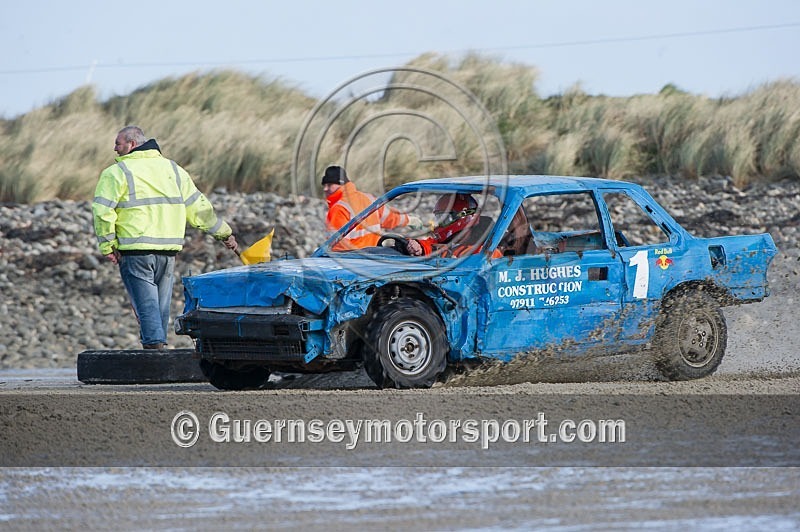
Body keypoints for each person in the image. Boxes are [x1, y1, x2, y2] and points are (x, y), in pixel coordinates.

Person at [92, 126, 238, 349]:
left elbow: (103, 211)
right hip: (168, 250)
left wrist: (107, 245)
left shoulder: (116, 172)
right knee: (160, 306)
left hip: (135, 249)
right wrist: (224, 233)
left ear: (132, 144)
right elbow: (199, 208)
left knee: (146, 305)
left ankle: (154, 349)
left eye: (118, 144)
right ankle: (159, 347)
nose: (115, 148)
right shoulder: (174, 169)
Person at [322, 165, 419, 250]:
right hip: (374, 256)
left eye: (329, 185)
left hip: (353, 259)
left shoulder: (339, 208)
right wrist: (409, 220)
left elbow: (338, 246)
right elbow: (389, 216)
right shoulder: (369, 198)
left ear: (341, 184)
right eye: (324, 185)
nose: (325, 189)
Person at [406, 193, 502, 258]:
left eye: (445, 218)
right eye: (439, 218)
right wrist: (419, 246)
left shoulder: (488, 250)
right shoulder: (446, 240)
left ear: (463, 216)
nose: (441, 223)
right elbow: (429, 244)